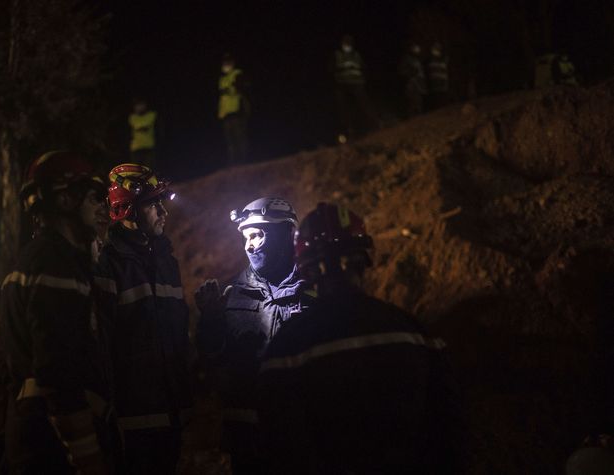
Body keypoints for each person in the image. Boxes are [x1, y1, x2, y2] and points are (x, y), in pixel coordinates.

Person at [258, 202, 465, 474]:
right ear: (363, 260)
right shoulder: (414, 333)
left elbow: (280, 447)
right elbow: (448, 428)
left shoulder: (286, 349)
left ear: (307, 270)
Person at [1, 150, 115, 474]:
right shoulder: (56, 266)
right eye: (93, 198)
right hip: (50, 447)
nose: (100, 208)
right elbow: (58, 372)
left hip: (32, 436)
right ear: (65, 201)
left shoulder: (38, 258)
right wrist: (88, 456)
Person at [196, 197, 313, 474]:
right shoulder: (233, 296)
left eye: (257, 235)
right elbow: (211, 359)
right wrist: (211, 321)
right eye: (246, 238)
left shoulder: (314, 291)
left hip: (302, 436)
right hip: (247, 440)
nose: (249, 246)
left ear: (285, 235)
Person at [94, 163, 191, 474]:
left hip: (172, 412)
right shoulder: (109, 267)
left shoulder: (166, 262)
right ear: (128, 211)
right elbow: (100, 346)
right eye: (153, 204)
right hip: (131, 420)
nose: (163, 212)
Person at [333, 34, 377, 143]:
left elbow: (363, 68)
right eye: (345, 43)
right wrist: (336, 82)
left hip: (357, 84)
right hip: (343, 85)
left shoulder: (356, 55)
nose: (347, 45)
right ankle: (350, 132)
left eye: (348, 43)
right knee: (346, 110)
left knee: (364, 105)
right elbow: (332, 69)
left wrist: (363, 79)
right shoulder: (337, 55)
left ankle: (374, 126)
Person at [218, 53, 250, 166]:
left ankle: (243, 162)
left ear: (232, 63)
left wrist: (233, 87)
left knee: (240, 138)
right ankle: (234, 164)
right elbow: (222, 96)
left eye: (228, 62)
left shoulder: (237, 73)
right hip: (226, 114)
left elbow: (241, 88)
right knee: (230, 141)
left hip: (237, 111)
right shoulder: (223, 79)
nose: (226, 64)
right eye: (224, 62)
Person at [128, 99, 158, 169]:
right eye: (137, 106)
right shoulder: (132, 117)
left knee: (149, 168)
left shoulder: (152, 114)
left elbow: (145, 126)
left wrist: (141, 127)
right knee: (137, 170)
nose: (139, 107)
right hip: (136, 147)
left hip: (149, 146)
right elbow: (136, 125)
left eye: (141, 105)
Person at [399, 43, 427, 117]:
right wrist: (411, 73)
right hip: (411, 83)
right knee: (412, 102)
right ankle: (411, 119)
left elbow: (421, 73)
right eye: (415, 49)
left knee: (419, 102)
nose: (417, 51)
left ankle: (419, 118)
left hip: (419, 84)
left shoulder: (418, 60)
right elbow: (402, 71)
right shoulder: (407, 59)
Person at [427, 42, 449, 110]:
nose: (438, 50)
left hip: (443, 82)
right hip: (436, 82)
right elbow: (431, 71)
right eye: (436, 48)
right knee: (437, 98)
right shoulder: (431, 59)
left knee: (442, 97)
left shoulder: (443, 59)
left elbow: (444, 71)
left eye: (439, 49)